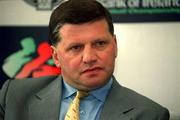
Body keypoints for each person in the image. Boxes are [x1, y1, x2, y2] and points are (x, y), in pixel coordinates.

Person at [0, 0, 170, 120]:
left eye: (100, 43)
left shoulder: (151, 114)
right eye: (76, 47)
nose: (89, 58)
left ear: (115, 45)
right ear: (56, 57)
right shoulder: (13, 96)